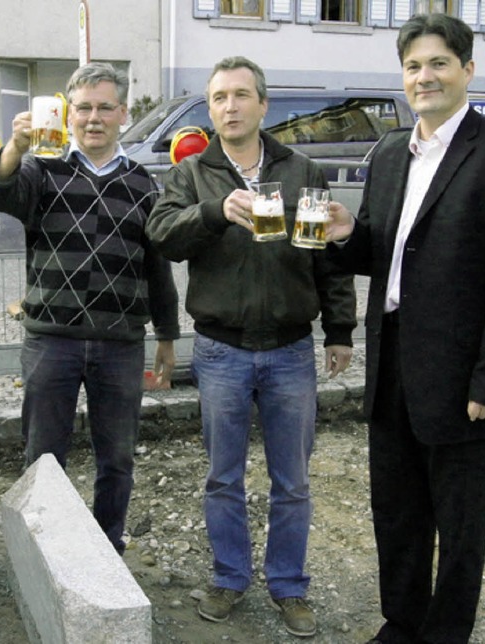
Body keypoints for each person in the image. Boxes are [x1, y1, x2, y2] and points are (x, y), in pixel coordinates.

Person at [325, 14, 485, 644]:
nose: (426, 76)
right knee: (396, 512)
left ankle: (446, 634)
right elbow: (385, 253)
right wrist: (343, 238)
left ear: (468, 70)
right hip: (392, 371)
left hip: (465, 377)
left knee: (460, 524)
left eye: (439, 62)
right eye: (414, 66)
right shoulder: (391, 153)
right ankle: (402, 622)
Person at [146, 56, 356, 638]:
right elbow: (161, 237)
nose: (230, 107)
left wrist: (339, 331)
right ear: (210, 109)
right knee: (223, 477)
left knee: (293, 480)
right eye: (218, 98)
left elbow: (327, 261)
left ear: (263, 105)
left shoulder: (301, 170)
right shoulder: (193, 173)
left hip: (291, 349)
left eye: (241, 95)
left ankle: (289, 587)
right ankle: (229, 577)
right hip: (221, 350)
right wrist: (215, 212)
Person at [0, 62, 180, 555]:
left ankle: (107, 550)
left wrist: (168, 335)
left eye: (104, 108)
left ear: (123, 113)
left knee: (117, 460)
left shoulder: (143, 184)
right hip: (52, 339)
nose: (94, 118)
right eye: (84, 108)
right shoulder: (42, 170)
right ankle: (45, 553)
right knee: (44, 457)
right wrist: (14, 149)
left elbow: (156, 268)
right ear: (68, 114)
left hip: (121, 343)